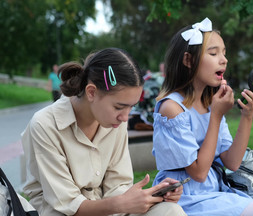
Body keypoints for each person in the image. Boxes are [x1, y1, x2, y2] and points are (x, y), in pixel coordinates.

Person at [151, 17, 253, 216]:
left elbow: (232, 162)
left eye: (224, 53)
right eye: (213, 53)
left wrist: (247, 114)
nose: (224, 60)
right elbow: (199, 173)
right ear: (188, 60)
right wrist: (216, 116)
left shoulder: (210, 105)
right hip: (184, 198)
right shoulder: (171, 108)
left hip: (215, 192)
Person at [21, 48, 186, 216]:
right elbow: (68, 205)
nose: (125, 117)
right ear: (91, 92)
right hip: (61, 212)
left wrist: (150, 198)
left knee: (171, 211)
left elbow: (117, 186)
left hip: (109, 207)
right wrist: (122, 204)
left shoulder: (114, 121)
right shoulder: (45, 124)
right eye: (119, 107)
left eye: (131, 107)